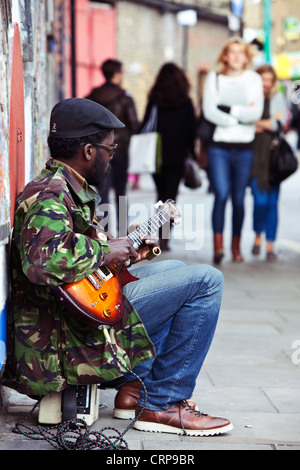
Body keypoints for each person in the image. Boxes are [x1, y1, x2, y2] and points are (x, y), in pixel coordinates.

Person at [2, 98, 232, 437]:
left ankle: (132, 391)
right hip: (63, 334)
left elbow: (88, 257)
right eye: (111, 148)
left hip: (73, 314)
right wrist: (104, 249)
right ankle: (164, 402)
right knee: (206, 281)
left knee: (177, 269)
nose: (113, 155)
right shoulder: (50, 195)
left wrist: (127, 252)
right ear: (89, 151)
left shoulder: (69, 188)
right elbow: (42, 261)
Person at [202, 37, 264, 264]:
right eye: (232, 52)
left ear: (246, 56)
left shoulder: (254, 79)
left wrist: (227, 109)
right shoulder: (214, 78)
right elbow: (209, 111)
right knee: (221, 194)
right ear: (225, 56)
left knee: (239, 199)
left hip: (245, 148)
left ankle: (236, 246)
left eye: (241, 52)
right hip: (219, 147)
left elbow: (255, 113)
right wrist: (239, 116)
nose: (237, 56)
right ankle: (218, 246)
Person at [140, 62, 196, 250]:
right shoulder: (186, 102)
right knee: (170, 197)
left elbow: (145, 125)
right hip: (177, 156)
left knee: (160, 194)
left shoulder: (155, 101)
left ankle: (158, 233)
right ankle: (165, 236)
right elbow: (192, 130)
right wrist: (191, 154)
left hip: (156, 155)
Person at [85, 59, 139, 233]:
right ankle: (123, 232)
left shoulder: (93, 96)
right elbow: (134, 124)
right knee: (121, 192)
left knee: (103, 192)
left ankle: (105, 234)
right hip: (121, 150)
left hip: (99, 150)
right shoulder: (124, 97)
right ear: (117, 73)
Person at [251, 64, 288, 261]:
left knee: (273, 203)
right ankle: (258, 234)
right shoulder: (250, 97)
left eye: (269, 80)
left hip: (273, 158)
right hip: (254, 157)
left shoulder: (277, 98)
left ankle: (270, 244)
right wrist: (265, 123)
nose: (266, 84)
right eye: (262, 79)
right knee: (260, 201)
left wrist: (256, 122)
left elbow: (277, 124)